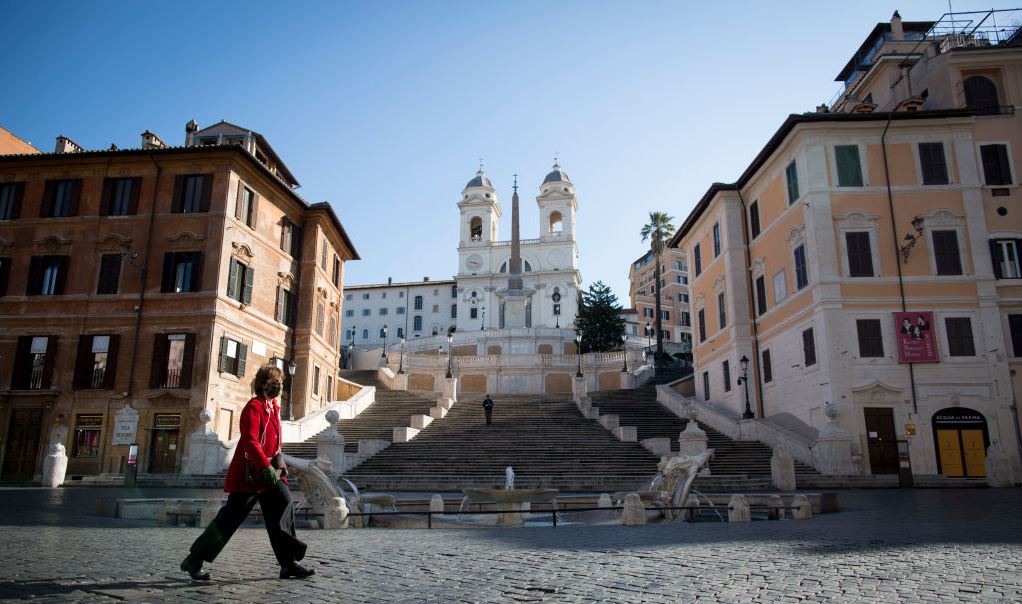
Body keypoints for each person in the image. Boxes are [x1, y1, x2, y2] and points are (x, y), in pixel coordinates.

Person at [180, 364, 315, 581]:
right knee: (229, 519)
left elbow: (274, 442)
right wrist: (265, 466)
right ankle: (195, 559)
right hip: (250, 474)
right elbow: (251, 441)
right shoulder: (253, 407)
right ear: (262, 384)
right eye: (273, 382)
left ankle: (289, 563)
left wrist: (277, 465)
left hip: (270, 473)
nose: (278, 386)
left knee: (283, 503)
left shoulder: (274, 409)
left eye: (280, 382)